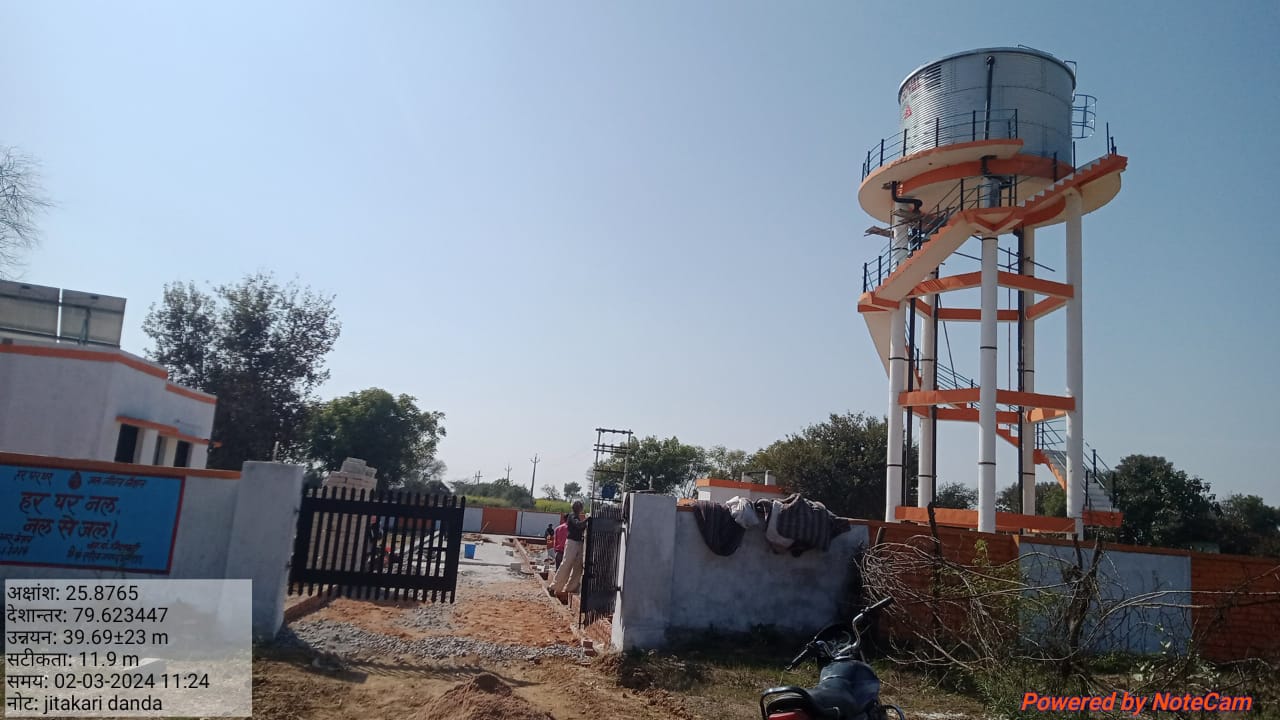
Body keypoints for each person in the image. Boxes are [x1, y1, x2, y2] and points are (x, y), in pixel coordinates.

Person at [549, 502, 587, 599]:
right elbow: (578, 525)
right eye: (578, 507)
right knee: (567, 564)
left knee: (578, 567)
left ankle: (570, 588)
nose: (579, 508)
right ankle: (554, 587)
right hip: (572, 542)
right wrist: (588, 519)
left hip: (579, 542)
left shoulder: (576, 517)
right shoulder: (572, 516)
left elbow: (581, 527)